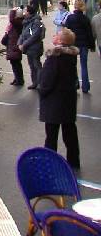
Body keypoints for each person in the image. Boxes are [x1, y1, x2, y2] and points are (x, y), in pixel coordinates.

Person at [38, 27, 80, 170]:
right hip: (68, 99)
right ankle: (74, 161)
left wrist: (42, 91)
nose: (54, 36)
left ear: (60, 41)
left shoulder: (54, 58)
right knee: (70, 133)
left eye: (57, 35)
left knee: (51, 135)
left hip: (53, 101)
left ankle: (49, 161)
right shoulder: (71, 56)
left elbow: (47, 80)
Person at [65, 0, 95, 93]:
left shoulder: (70, 18)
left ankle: (75, 84)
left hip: (73, 44)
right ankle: (85, 87)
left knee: (73, 66)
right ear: (82, 7)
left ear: (74, 6)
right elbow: (89, 33)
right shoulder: (85, 18)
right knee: (84, 66)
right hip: (84, 45)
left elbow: (66, 31)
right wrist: (92, 45)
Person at [17, 4, 45, 89]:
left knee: (36, 65)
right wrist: (19, 43)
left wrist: (23, 44)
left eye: (25, 10)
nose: (23, 12)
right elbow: (23, 34)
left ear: (28, 12)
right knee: (32, 65)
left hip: (35, 47)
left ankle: (40, 83)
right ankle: (35, 83)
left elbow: (34, 36)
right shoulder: (26, 21)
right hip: (29, 47)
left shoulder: (36, 22)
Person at [5, 7, 24, 86]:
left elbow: (11, 20)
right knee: (15, 64)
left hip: (15, 45)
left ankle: (19, 80)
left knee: (16, 64)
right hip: (13, 44)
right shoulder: (18, 22)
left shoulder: (18, 22)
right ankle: (17, 78)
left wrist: (12, 11)